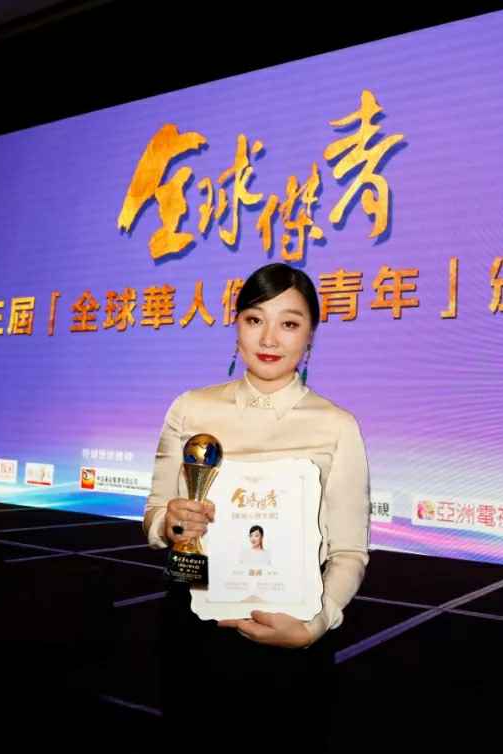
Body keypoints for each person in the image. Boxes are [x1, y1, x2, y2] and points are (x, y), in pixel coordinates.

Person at [142, 262, 370, 742]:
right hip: (194, 623)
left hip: (292, 631)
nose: (269, 338)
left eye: (289, 323)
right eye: (254, 319)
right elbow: (156, 515)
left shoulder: (337, 425)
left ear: (310, 336)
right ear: (237, 327)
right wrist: (171, 524)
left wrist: (316, 624)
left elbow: (349, 551)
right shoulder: (191, 408)